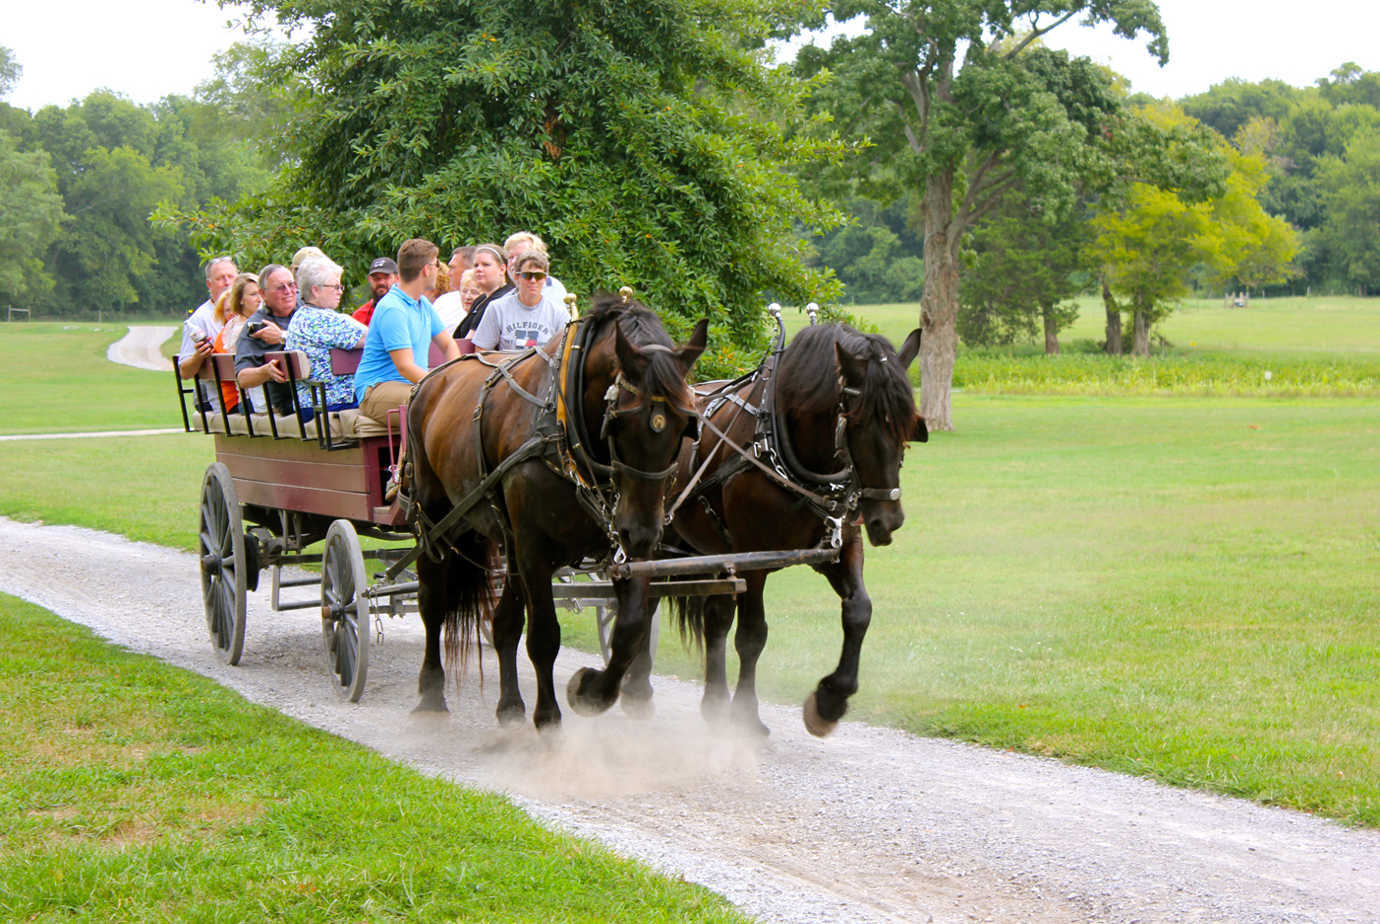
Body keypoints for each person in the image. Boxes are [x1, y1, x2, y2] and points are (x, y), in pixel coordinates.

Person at [353, 238, 463, 425]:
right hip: (377, 389)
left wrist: (457, 378)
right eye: (436, 265)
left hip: (410, 385)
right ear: (426, 269)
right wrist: (442, 384)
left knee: (449, 399)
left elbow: (447, 344)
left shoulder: (423, 304)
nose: (438, 270)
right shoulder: (393, 308)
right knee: (430, 402)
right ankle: (412, 456)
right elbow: (404, 366)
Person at [286, 257, 367, 417]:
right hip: (333, 403)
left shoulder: (300, 317)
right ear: (316, 290)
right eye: (336, 287)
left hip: (309, 403)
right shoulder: (323, 320)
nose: (340, 291)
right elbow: (378, 339)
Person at [469, 250, 570, 352]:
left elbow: (566, 353)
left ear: (545, 279)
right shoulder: (497, 308)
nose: (533, 281)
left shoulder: (559, 313)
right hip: (506, 366)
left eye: (539, 276)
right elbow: (482, 349)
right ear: (517, 277)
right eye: (527, 276)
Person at [234, 263, 299, 415]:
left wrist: (282, 336)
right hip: (289, 403)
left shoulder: (306, 311)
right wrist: (266, 371)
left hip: (320, 392)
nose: (288, 292)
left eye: (291, 285)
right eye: (280, 287)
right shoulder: (256, 326)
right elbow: (243, 378)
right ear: (263, 294)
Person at [178, 256, 238, 408]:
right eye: (220, 278)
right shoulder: (199, 319)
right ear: (209, 284)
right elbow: (184, 372)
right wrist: (199, 357)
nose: (227, 282)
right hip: (216, 398)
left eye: (231, 276)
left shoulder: (252, 309)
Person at [209, 273, 261, 412]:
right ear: (241, 300)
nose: (260, 298)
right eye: (254, 294)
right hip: (254, 401)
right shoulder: (249, 328)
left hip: (245, 399)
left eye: (261, 292)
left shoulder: (231, 325)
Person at [452, 243, 510, 340]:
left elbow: (470, 341)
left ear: (502, 269)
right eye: (476, 265)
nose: (479, 269)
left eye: (486, 265)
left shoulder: (503, 299)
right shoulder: (480, 300)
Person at [503, 230, 567, 304]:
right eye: (510, 257)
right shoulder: (504, 300)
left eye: (520, 256)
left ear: (537, 258)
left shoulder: (553, 291)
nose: (513, 261)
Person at [352, 257, 398, 325]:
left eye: (386, 277)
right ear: (369, 280)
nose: (381, 282)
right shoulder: (359, 317)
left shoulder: (410, 309)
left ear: (397, 278)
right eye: (376, 278)